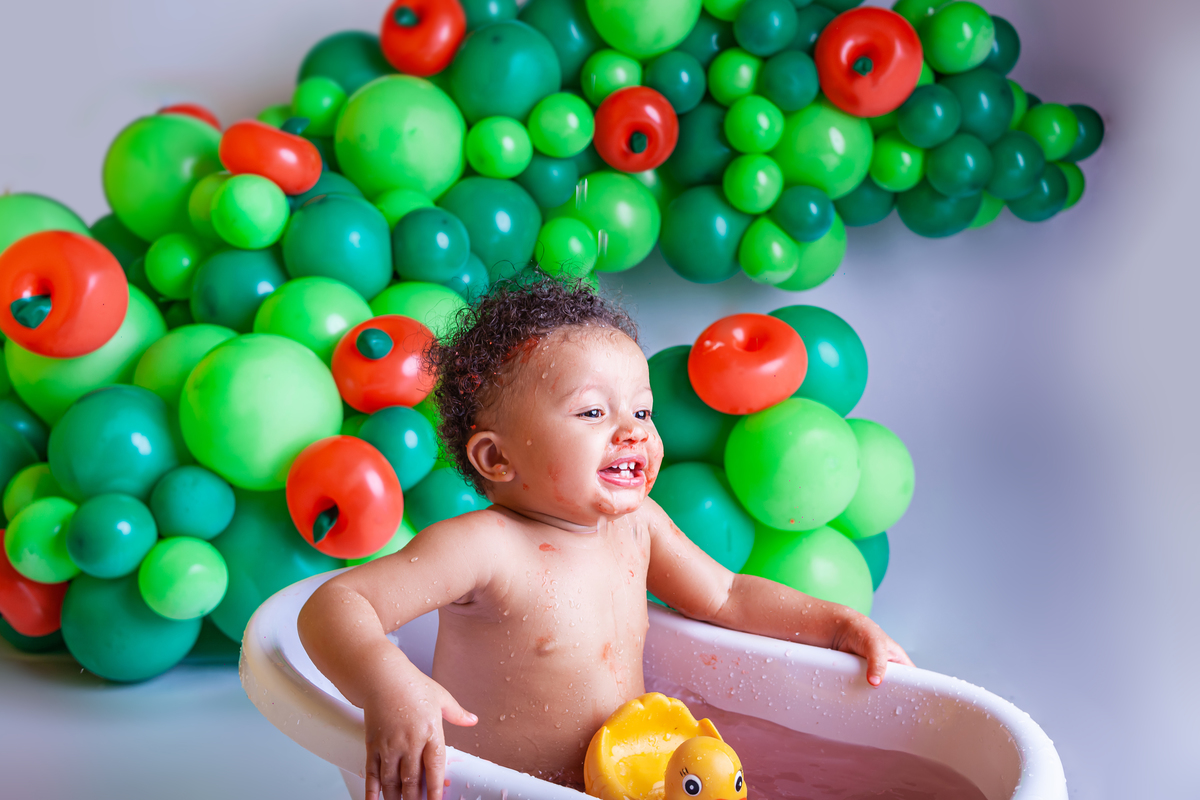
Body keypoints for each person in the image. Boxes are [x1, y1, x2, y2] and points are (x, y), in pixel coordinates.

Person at [298, 277, 912, 800]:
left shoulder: (637, 526)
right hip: (504, 790)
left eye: (642, 413)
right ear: (496, 457)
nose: (632, 433)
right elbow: (336, 604)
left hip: (633, 779)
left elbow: (726, 596)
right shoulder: (483, 547)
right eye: (594, 413)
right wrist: (388, 683)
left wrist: (836, 626)